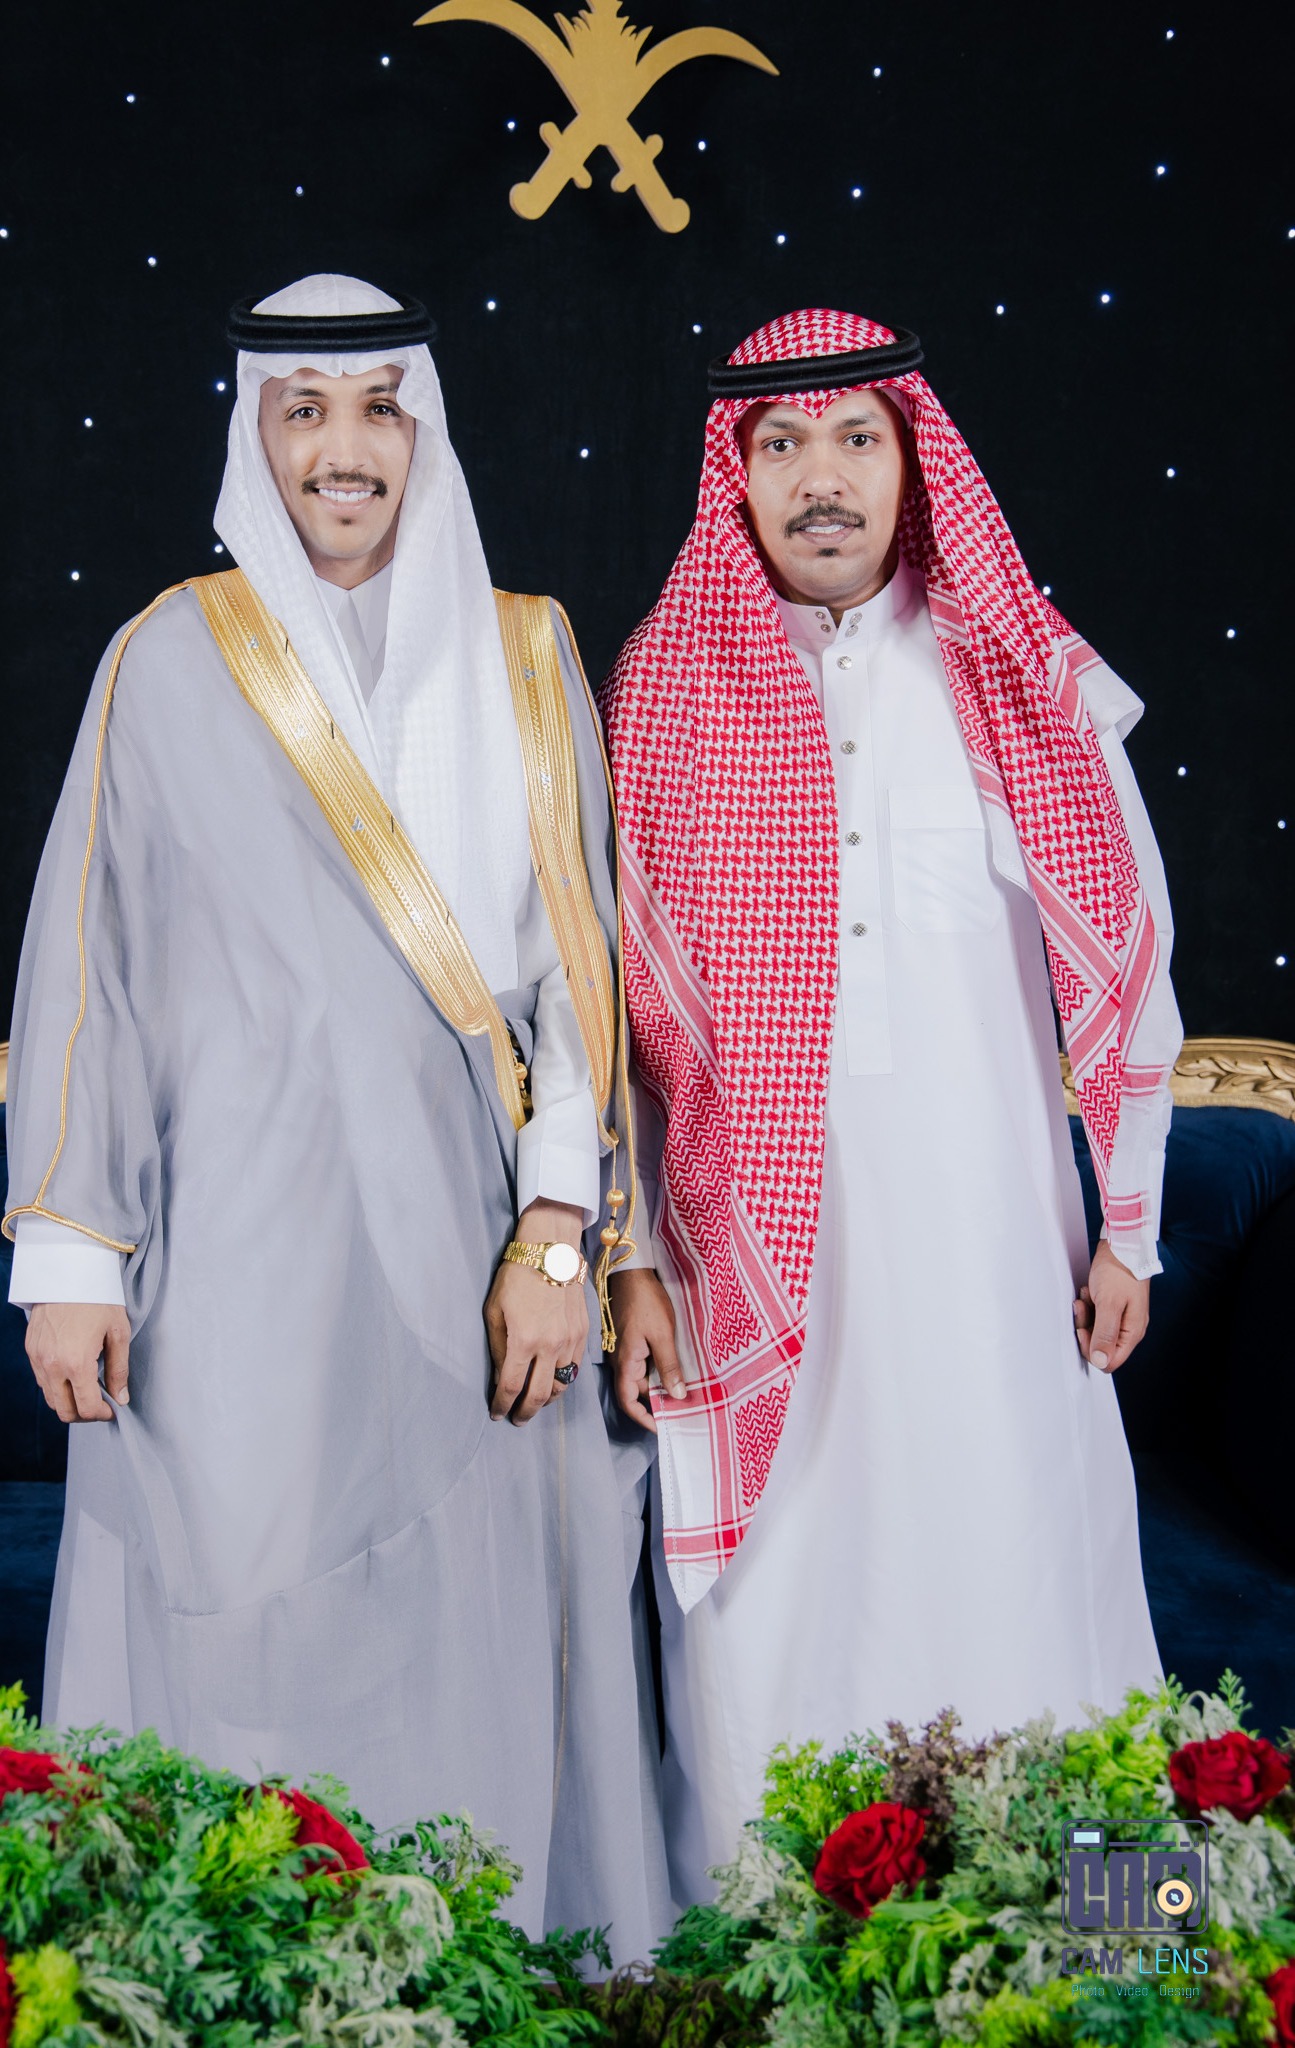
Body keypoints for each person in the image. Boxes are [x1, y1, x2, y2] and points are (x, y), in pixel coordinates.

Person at [4, 272, 668, 1954]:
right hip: (234, 1253)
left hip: (479, 1246)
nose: (343, 448)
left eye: (380, 407)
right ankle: (245, 1976)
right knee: (241, 1611)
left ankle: (476, 1966)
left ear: (424, 430)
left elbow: (579, 978)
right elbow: (91, 968)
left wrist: (560, 1242)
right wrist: (72, 1252)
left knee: (478, 1615)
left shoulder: (525, 652)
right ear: (257, 436)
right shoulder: (165, 657)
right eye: (303, 412)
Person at [601, 308, 1183, 1902]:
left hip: (992, 1255)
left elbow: (1130, 955)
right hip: (741, 1269)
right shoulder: (664, 690)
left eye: (858, 437)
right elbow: (612, 1018)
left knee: (1028, 1581)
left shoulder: (1014, 673)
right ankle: (761, 1962)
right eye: (780, 444)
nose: (821, 478)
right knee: (776, 1617)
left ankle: (1114, 1959)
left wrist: (1126, 1228)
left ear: (915, 461)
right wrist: (629, 1257)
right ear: (732, 477)